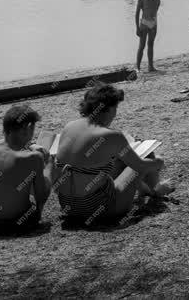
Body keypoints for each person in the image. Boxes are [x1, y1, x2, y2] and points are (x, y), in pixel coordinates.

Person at [53, 82, 173, 225]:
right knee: (147, 157)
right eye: (115, 108)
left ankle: (146, 190)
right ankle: (156, 190)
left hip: (69, 207)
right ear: (108, 109)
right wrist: (158, 162)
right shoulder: (111, 136)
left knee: (110, 163)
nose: (115, 114)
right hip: (102, 209)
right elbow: (139, 166)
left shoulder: (69, 126)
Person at [0, 104, 53, 233]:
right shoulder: (34, 158)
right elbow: (41, 195)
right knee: (47, 169)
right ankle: (37, 220)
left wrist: (30, 145)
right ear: (28, 128)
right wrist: (48, 163)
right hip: (18, 222)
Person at [135, 0, 161, 72]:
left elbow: (157, 7)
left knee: (151, 45)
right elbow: (137, 14)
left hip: (153, 23)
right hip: (144, 23)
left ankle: (151, 66)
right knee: (141, 46)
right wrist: (137, 28)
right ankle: (137, 67)